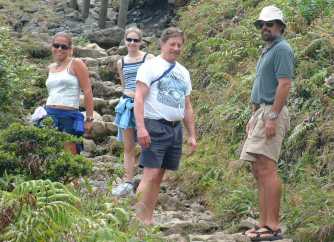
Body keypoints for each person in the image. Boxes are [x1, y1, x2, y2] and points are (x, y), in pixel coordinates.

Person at [240, 6, 294, 242]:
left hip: (272, 112)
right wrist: (254, 117)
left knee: (268, 168)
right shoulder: (268, 50)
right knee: (258, 168)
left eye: (270, 24)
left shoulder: (282, 49)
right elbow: (260, 86)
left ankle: (272, 226)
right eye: (262, 24)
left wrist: (272, 116)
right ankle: (263, 223)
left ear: (280, 27)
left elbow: (284, 84)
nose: (265, 28)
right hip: (261, 112)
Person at [134, 27, 197, 225]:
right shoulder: (150, 67)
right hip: (154, 125)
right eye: (172, 44)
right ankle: (137, 222)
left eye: (179, 45)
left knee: (159, 175)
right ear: (162, 44)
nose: (176, 48)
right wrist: (141, 127)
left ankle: (148, 219)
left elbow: (187, 106)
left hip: (175, 128)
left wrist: (192, 135)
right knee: (150, 173)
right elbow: (139, 98)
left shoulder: (184, 72)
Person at [112, 27, 154, 197]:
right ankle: (128, 183)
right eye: (129, 39)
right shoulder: (120, 62)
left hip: (145, 105)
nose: (132, 43)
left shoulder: (148, 58)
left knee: (148, 144)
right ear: (125, 41)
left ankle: (148, 183)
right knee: (128, 147)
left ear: (141, 42)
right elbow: (124, 84)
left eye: (136, 40)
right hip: (127, 104)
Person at [45, 32, 94, 154]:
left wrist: (89, 119)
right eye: (56, 45)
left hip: (69, 115)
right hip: (49, 114)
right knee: (49, 154)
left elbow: (87, 91)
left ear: (70, 49)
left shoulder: (76, 63)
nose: (59, 49)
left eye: (64, 46)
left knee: (70, 156)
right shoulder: (51, 68)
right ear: (52, 47)